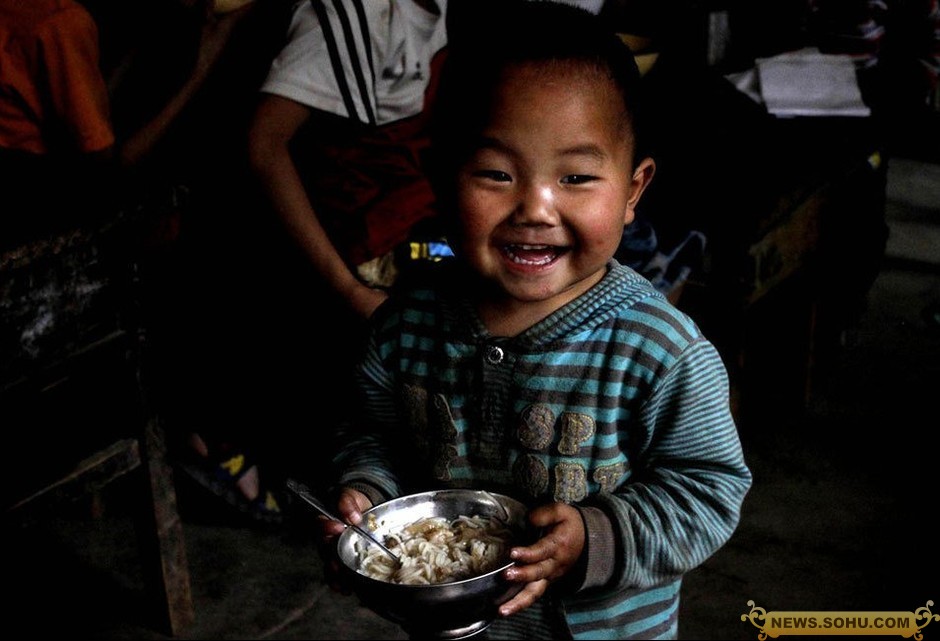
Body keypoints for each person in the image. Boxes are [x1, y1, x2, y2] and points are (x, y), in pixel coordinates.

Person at [316, 2, 752, 639]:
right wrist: (368, 493)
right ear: (440, 178)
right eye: (497, 173)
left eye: (576, 176)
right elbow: (373, 434)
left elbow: (709, 490)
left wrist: (597, 536)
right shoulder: (404, 329)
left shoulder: (659, 352)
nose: (536, 208)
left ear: (632, 191)